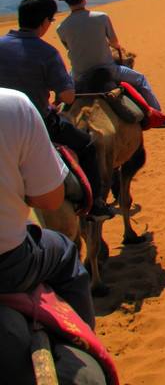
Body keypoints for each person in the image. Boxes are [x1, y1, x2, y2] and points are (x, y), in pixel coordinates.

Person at [0, 0, 114, 220]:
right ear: (43, 22)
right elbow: (68, 96)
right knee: (88, 145)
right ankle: (95, 205)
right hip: (38, 123)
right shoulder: (46, 52)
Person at [0, 88, 95, 328]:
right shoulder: (14, 102)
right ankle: (84, 340)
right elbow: (49, 202)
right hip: (10, 263)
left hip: (82, 79)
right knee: (65, 252)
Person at [55, 0, 165, 126]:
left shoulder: (61, 28)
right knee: (141, 80)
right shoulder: (101, 17)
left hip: (79, 75)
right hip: (108, 69)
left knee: (63, 95)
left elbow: (69, 49)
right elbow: (115, 43)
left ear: (66, 2)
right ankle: (157, 117)